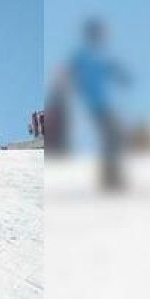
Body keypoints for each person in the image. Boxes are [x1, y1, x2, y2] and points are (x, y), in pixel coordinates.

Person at [60, 19, 129, 190]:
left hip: (103, 103)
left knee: (114, 136)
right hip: (95, 104)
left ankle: (111, 175)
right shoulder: (83, 55)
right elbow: (68, 72)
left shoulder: (98, 55)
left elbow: (112, 69)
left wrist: (122, 76)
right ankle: (110, 178)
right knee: (113, 135)